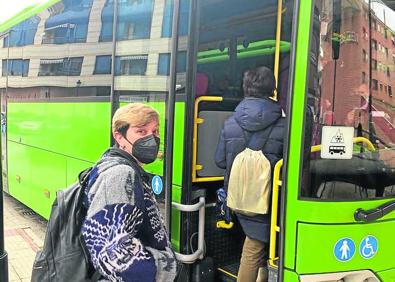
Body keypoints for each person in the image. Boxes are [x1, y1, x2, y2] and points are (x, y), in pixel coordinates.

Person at [81, 103, 177, 282]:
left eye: (155, 132)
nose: (152, 139)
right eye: (141, 132)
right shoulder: (120, 174)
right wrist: (166, 270)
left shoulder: (127, 168)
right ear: (119, 136)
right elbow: (113, 252)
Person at [215, 66, 284, 282]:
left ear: (245, 89)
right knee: (255, 248)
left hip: (239, 197)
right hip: (270, 201)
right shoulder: (286, 126)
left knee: (258, 244)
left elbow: (220, 161)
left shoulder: (230, 123)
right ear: (272, 89)